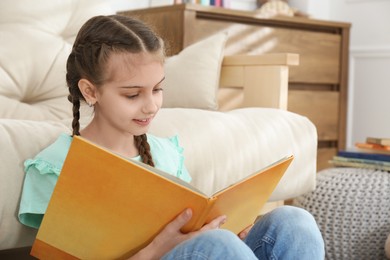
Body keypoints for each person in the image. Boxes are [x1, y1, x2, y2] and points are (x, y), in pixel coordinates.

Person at [18, 15, 325, 259]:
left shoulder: (167, 153)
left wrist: (225, 231)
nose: (151, 105)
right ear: (90, 91)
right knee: (218, 248)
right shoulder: (56, 167)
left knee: (293, 223)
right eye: (132, 94)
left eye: (158, 88)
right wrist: (155, 251)